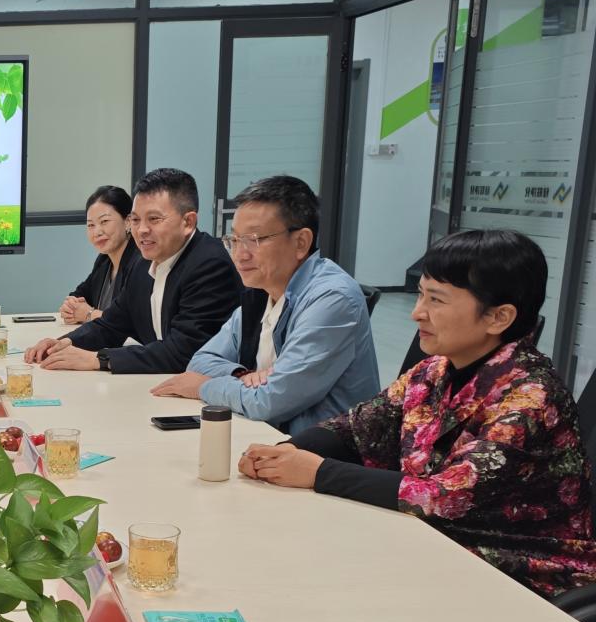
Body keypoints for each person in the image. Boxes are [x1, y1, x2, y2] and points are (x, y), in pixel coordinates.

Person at [240, 230, 596, 599]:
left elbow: (444, 496)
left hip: (521, 579)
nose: (417, 313)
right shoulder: (435, 370)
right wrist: (285, 452)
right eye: (421, 294)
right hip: (432, 549)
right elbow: (355, 428)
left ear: (498, 317)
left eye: (436, 300)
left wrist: (317, 472)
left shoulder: (531, 398)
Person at [151, 176, 380, 433]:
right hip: (265, 435)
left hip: (320, 449)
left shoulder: (332, 299)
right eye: (235, 239)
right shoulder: (262, 291)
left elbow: (270, 401)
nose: (240, 254)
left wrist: (202, 387)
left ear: (301, 242)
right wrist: (241, 376)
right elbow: (201, 360)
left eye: (254, 239)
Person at [25, 168, 241, 374]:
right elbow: (112, 324)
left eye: (154, 219)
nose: (142, 230)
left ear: (188, 222)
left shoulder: (209, 264)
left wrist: (98, 359)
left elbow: (183, 351)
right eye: (136, 220)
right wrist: (63, 343)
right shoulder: (143, 263)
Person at [60, 185, 143, 325]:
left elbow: (130, 321)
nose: (97, 232)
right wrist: (70, 306)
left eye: (104, 222)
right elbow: (80, 294)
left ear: (128, 221)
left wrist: (89, 314)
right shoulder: (104, 260)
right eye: (90, 225)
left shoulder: (141, 262)